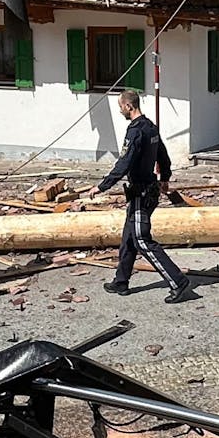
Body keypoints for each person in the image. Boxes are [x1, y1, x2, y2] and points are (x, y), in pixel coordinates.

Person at [87, 89, 191, 304]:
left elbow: (124, 163)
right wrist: (165, 177)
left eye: (120, 107)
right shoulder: (150, 127)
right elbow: (162, 154)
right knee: (129, 238)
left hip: (141, 193)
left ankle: (178, 281)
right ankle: (121, 281)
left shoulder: (135, 131)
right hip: (150, 189)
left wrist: (102, 187)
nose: (120, 111)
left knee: (142, 239)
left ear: (128, 106)